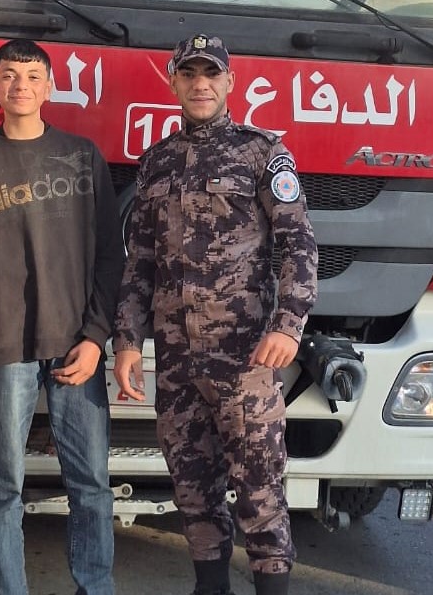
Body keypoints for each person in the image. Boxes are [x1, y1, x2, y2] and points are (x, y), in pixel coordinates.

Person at [112, 34, 318, 595]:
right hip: (178, 361)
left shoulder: (261, 153)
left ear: (230, 82)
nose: (200, 84)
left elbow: (298, 244)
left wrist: (288, 325)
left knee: (259, 490)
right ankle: (210, 587)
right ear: (173, 83)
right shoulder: (156, 162)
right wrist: (127, 340)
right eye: (189, 74)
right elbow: (141, 261)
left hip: (244, 358)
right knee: (192, 488)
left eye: (211, 74)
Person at [0, 38, 123, 595]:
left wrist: (96, 337)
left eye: (32, 76)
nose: (20, 85)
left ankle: (95, 587)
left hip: (76, 348)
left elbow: (110, 256)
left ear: (49, 87)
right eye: (8, 76)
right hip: (3, 353)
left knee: (91, 484)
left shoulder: (83, 156)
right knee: (3, 489)